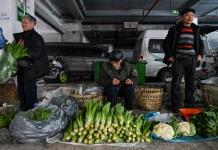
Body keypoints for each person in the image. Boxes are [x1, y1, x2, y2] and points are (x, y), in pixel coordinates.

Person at [162, 8, 204, 112]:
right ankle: (176, 106)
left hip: (191, 59)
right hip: (178, 60)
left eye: (192, 16)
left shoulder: (196, 28)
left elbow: (200, 43)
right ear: (182, 17)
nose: (190, 17)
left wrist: (200, 54)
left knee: (191, 83)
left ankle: (189, 104)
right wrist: (170, 56)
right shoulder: (175, 29)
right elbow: (166, 44)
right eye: (187, 15)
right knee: (176, 83)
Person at [13, 15, 49, 111]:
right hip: (21, 70)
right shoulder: (20, 36)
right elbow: (14, 52)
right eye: (22, 22)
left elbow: (36, 53)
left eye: (26, 22)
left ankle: (32, 114)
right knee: (21, 94)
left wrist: (23, 50)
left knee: (29, 95)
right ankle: (24, 116)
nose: (23, 24)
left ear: (32, 24)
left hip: (30, 71)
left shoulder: (37, 38)